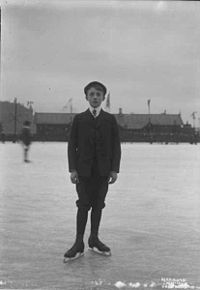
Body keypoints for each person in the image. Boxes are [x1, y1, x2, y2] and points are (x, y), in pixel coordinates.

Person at [64, 81, 121, 262]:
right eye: (92, 94)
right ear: (87, 97)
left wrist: (114, 170)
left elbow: (116, 147)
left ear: (103, 98)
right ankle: (78, 242)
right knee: (83, 204)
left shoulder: (110, 120)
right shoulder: (79, 119)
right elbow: (72, 146)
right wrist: (73, 169)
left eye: (98, 94)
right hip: (83, 172)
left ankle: (94, 238)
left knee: (98, 205)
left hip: (103, 172)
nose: (95, 97)